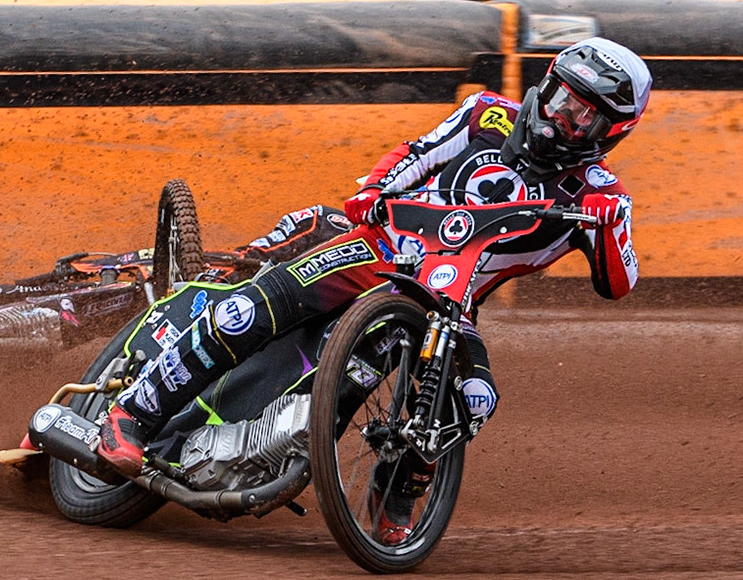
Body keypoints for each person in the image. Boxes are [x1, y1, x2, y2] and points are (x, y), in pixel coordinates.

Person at [97, 36, 650, 545]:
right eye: (561, 98)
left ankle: (395, 493)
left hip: (449, 304)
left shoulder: (602, 196)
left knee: (475, 399)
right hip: (378, 248)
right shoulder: (488, 114)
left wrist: (608, 228)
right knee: (246, 311)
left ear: (611, 133)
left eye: (585, 115)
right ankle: (133, 415)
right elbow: (418, 152)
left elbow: (620, 284)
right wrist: (377, 189)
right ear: (546, 85)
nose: (562, 117)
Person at [0, 204, 355, 307]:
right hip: (226, 284)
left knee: (118, 298)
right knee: (108, 271)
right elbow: (260, 251)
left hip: (272, 331)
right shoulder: (327, 220)